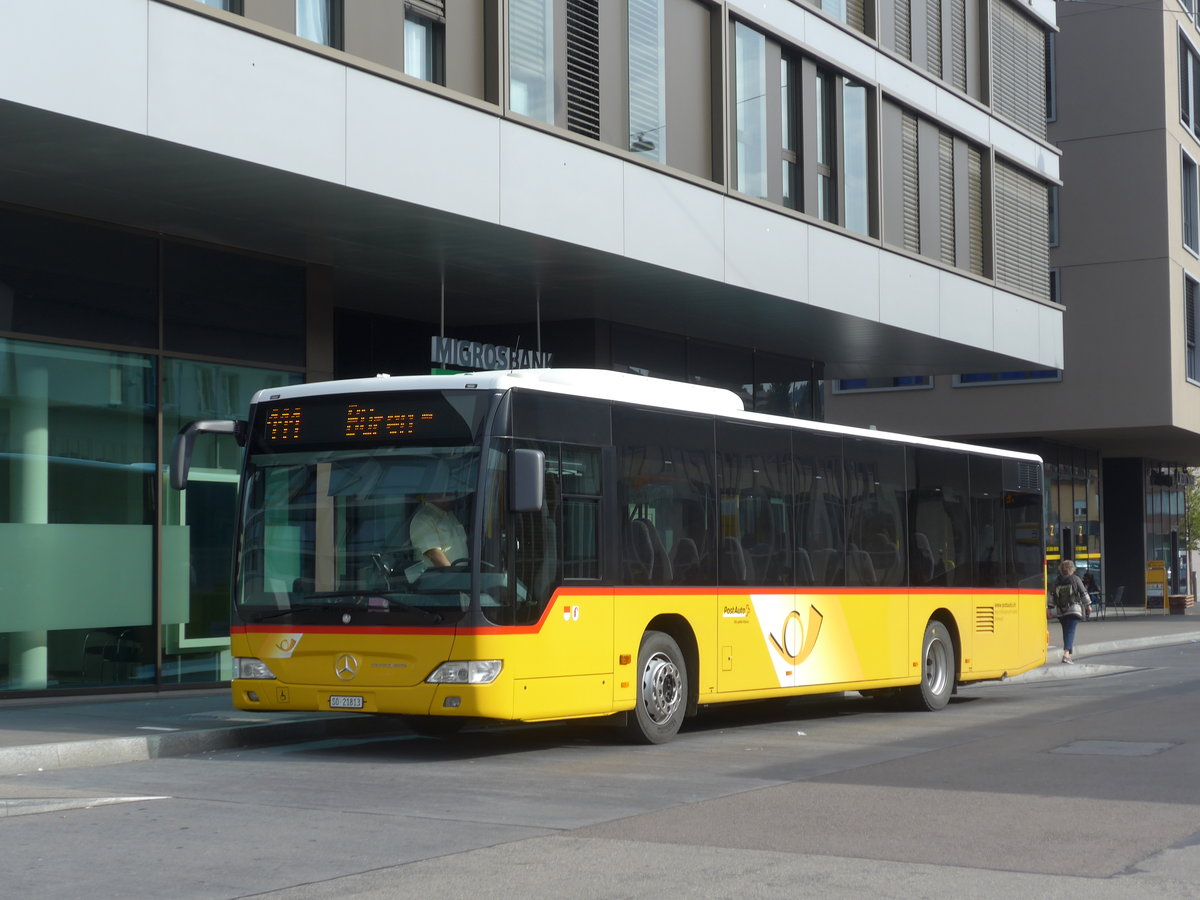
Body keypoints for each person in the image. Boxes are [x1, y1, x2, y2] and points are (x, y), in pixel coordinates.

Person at [409, 492, 468, 573]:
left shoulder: (449, 514)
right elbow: (433, 554)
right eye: (446, 493)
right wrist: (454, 577)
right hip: (440, 580)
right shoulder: (423, 519)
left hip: (462, 577)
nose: (451, 497)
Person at [1052, 559, 1089, 664]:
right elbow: (1083, 593)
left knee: (1066, 631)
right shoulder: (1075, 579)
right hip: (1073, 609)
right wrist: (1088, 605)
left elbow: (1052, 595)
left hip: (1061, 611)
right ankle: (1066, 654)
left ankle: (1068, 655)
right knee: (1070, 631)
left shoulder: (1057, 580)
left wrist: (1050, 608)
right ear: (1072, 569)